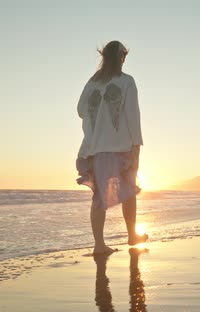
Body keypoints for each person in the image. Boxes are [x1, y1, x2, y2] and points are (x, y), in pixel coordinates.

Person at [76, 40, 148, 255]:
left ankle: (99, 243)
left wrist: (98, 118)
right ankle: (131, 234)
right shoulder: (126, 81)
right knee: (129, 192)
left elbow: (80, 110)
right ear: (122, 58)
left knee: (99, 196)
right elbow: (133, 116)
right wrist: (136, 147)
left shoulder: (92, 83)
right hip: (121, 146)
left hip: (94, 148)